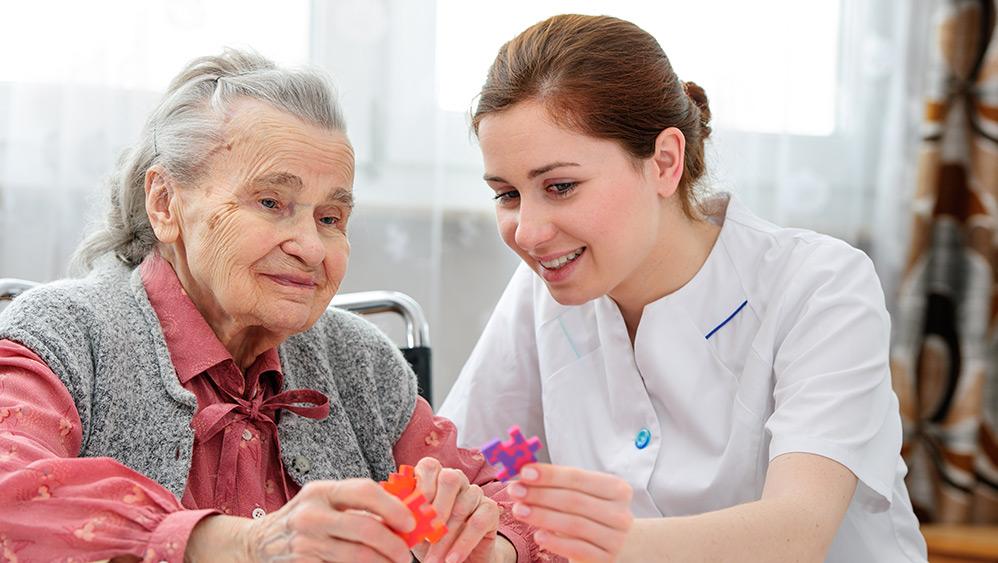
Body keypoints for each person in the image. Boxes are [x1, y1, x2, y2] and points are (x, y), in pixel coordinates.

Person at [0, 49, 535, 563]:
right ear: (166, 204)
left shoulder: (362, 364)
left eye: (330, 218)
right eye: (271, 203)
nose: (310, 247)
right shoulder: (63, 336)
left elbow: (506, 505)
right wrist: (241, 546)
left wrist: (488, 542)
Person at [439, 13, 929, 562]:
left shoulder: (821, 287)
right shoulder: (545, 289)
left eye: (561, 186)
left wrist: (579, 544)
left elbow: (796, 533)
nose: (527, 232)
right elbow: (463, 470)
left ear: (665, 162)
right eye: (506, 194)